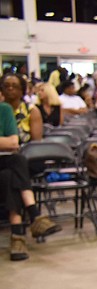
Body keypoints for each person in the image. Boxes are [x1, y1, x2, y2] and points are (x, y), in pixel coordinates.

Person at [0, 102, 61, 261]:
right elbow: (10, 143)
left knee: (10, 174)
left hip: (5, 165)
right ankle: (34, 215)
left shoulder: (4, 110)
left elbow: (14, 143)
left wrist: (7, 144)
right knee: (17, 162)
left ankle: (18, 236)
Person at [1, 73, 42, 143]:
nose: (10, 88)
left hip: (27, 151)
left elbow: (36, 142)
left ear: (22, 90)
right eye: (6, 86)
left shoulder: (32, 110)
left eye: (15, 86)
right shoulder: (1, 109)